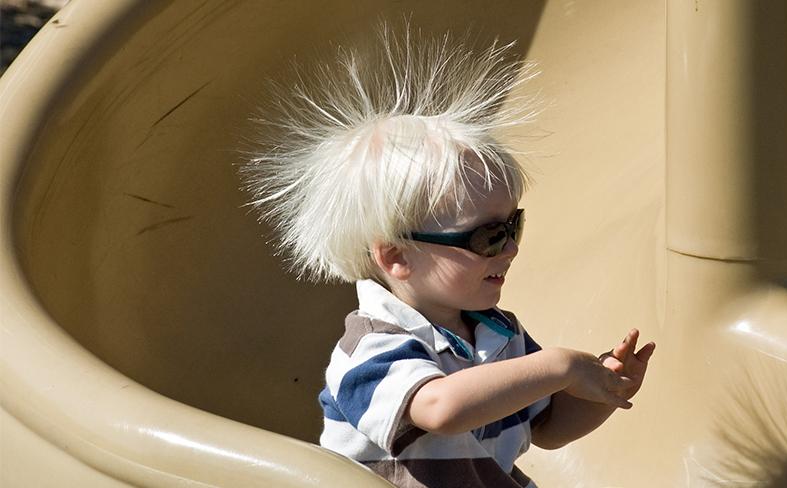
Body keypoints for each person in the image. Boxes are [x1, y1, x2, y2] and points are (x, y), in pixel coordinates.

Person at [240, 25, 655, 488]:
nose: (513, 248)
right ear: (397, 255)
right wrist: (560, 366)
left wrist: (598, 394)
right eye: (488, 237)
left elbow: (550, 430)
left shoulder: (498, 332)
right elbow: (441, 408)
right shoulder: (372, 347)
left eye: (512, 226)